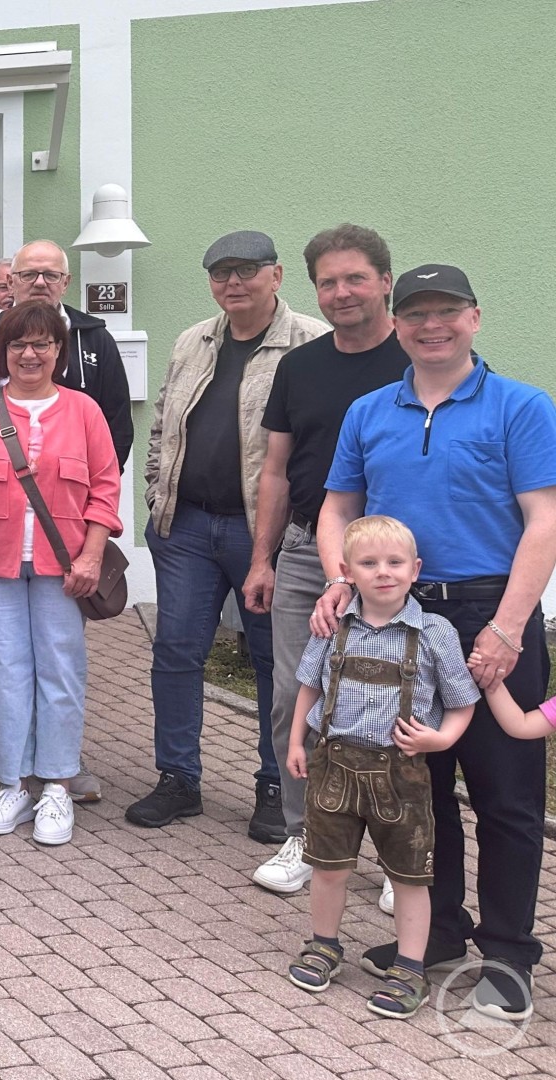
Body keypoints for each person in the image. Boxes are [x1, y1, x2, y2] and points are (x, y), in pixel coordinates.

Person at [314, 263, 556, 1022]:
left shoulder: (521, 407)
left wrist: (507, 628)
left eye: (447, 312)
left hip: (491, 610)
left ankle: (510, 954)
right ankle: (442, 933)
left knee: (507, 799)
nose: (431, 326)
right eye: (416, 313)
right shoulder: (369, 410)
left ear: (474, 319)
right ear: (399, 321)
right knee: (419, 788)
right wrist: (340, 581)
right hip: (399, 617)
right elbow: (336, 509)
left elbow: (543, 522)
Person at [129, 231, 327, 841]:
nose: (232, 283)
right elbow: (163, 422)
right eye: (221, 274)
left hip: (264, 532)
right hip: (187, 527)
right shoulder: (194, 339)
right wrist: (158, 494)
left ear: (276, 276)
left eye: (246, 271)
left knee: (276, 660)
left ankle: (275, 785)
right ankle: (179, 779)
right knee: (176, 652)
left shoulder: (311, 344)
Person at [245, 225, 411, 895]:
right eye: (329, 282)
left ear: (384, 283)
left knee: (399, 704)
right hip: (308, 552)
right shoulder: (300, 365)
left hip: (398, 566)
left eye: (355, 279)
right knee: (296, 697)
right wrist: (263, 559)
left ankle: (404, 854)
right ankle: (305, 834)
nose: (341, 293)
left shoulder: (417, 358)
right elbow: (277, 471)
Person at [0, 239, 133, 798]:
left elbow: (105, 485)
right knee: (2, 673)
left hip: (62, 563)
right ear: (4, 351)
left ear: (58, 351)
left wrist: (93, 554)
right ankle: (10, 780)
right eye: (20, 346)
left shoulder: (84, 409)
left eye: (42, 345)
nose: (30, 355)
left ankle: (56, 777)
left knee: (60, 671)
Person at [282, 515, 478, 1019]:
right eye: (369, 564)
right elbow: (309, 685)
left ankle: (410, 968)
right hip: (334, 765)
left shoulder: (436, 633)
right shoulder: (333, 626)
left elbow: (462, 702)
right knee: (328, 867)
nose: (383, 573)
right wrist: (297, 742)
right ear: (348, 571)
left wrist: (443, 738)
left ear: (415, 570)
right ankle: (323, 944)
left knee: (411, 875)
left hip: (402, 774)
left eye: (394, 563)